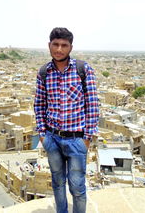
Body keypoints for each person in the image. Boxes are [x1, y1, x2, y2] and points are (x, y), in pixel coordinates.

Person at [34, 27, 99, 213]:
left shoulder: (82, 69)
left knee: (77, 186)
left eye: (64, 45)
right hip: (52, 138)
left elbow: (92, 104)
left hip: (77, 139)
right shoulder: (44, 72)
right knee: (57, 182)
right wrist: (42, 134)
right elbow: (39, 104)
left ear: (71, 47)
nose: (59, 49)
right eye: (56, 44)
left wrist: (86, 138)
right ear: (49, 45)